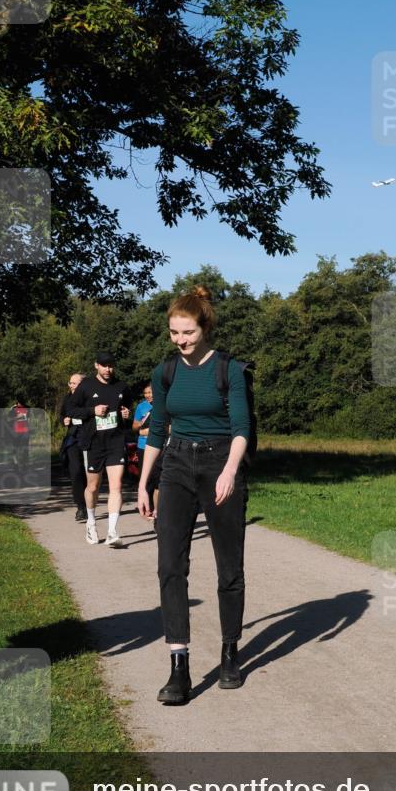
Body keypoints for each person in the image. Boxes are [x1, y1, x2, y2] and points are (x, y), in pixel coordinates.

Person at [138, 286, 250, 705]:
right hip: (177, 465)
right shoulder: (165, 372)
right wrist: (145, 482)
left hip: (222, 462)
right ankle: (178, 665)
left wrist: (229, 472)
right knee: (169, 564)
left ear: (204, 328)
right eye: (173, 333)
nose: (180, 340)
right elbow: (157, 429)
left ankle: (229, 652)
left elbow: (241, 427)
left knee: (228, 567)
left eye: (187, 332)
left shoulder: (229, 369)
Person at [69, 350, 132, 547]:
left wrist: (126, 414)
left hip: (115, 442)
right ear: (96, 365)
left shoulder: (121, 386)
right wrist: (91, 411)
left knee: (116, 486)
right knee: (93, 487)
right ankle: (91, 522)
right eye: (104, 365)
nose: (108, 369)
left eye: (111, 365)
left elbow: (127, 411)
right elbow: (71, 409)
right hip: (94, 443)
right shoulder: (86, 386)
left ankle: (113, 532)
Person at [59, 373, 87, 521]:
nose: (71, 386)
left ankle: (89, 504)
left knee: (89, 474)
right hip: (73, 439)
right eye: (70, 383)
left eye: (74, 383)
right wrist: (64, 420)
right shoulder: (67, 398)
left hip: (89, 438)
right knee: (75, 472)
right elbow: (61, 415)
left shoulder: (89, 397)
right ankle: (80, 507)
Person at [132, 382, 162, 517]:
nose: (148, 395)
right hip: (143, 446)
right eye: (146, 393)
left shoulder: (163, 405)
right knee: (146, 478)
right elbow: (134, 428)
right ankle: (147, 506)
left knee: (158, 478)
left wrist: (147, 431)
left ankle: (158, 508)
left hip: (158, 446)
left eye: (150, 392)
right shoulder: (141, 407)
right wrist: (140, 424)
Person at [7, 397, 30, 469]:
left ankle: (24, 464)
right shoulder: (13, 408)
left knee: (25, 448)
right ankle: (15, 463)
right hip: (16, 431)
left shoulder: (27, 408)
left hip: (25, 431)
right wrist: (17, 417)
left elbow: (29, 418)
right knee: (15, 448)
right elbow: (8, 419)